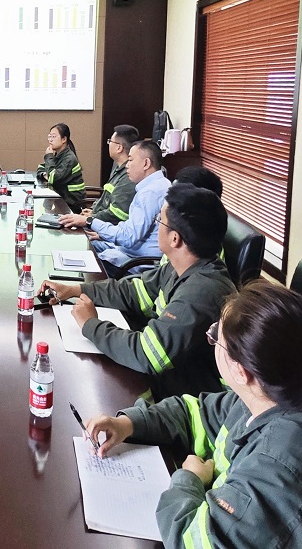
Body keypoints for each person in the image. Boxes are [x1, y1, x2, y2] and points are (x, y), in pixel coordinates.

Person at [84, 282, 302, 549]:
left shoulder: (281, 467)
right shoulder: (267, 397)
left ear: (241, 371)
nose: (212, 340)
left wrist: (189, 480)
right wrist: (128, 423)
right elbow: (194, 413)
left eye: (215, 336)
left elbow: (196, 543)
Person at [40, 183, 234, 399]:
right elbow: (134, 291)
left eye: (159, 221)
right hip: (170, 377)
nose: (156, 225)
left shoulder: (201, 293)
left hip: (186, 395)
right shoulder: (182, 265)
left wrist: (91, 325)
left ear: (175, 238)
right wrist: (76, 289)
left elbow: (148, 354)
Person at [86, 140, 171, 270]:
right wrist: (103, 234)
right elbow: (130, 227)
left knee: (85, 258)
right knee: (86, 243)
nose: (127, 165)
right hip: (127, 251)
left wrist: (90, 221)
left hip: (135, 261)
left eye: (130, 160)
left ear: (146, 163)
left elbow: (128, 237)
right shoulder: (160, 184)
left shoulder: (150, 193)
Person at [59, 124, 139, 228]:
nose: (108, 144)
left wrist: (91, 217)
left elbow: (117, 214)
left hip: (107, 228)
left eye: (110, 141)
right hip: (99, 222)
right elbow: (106, 197)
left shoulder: (128, 175)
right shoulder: (118, 168)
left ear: (119, 148)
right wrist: (93, 210)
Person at [36, 123, 86, 213]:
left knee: (43, 213)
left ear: (64, 139)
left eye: (53, 137)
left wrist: (49, 156)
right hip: (60, 198)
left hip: (72, 204)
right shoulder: (58, 154)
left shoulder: (69, 158)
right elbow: (41, 167)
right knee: (41, 211)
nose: (50, 140)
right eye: (49, 136)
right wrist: (45, 174)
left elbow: (53, 178)